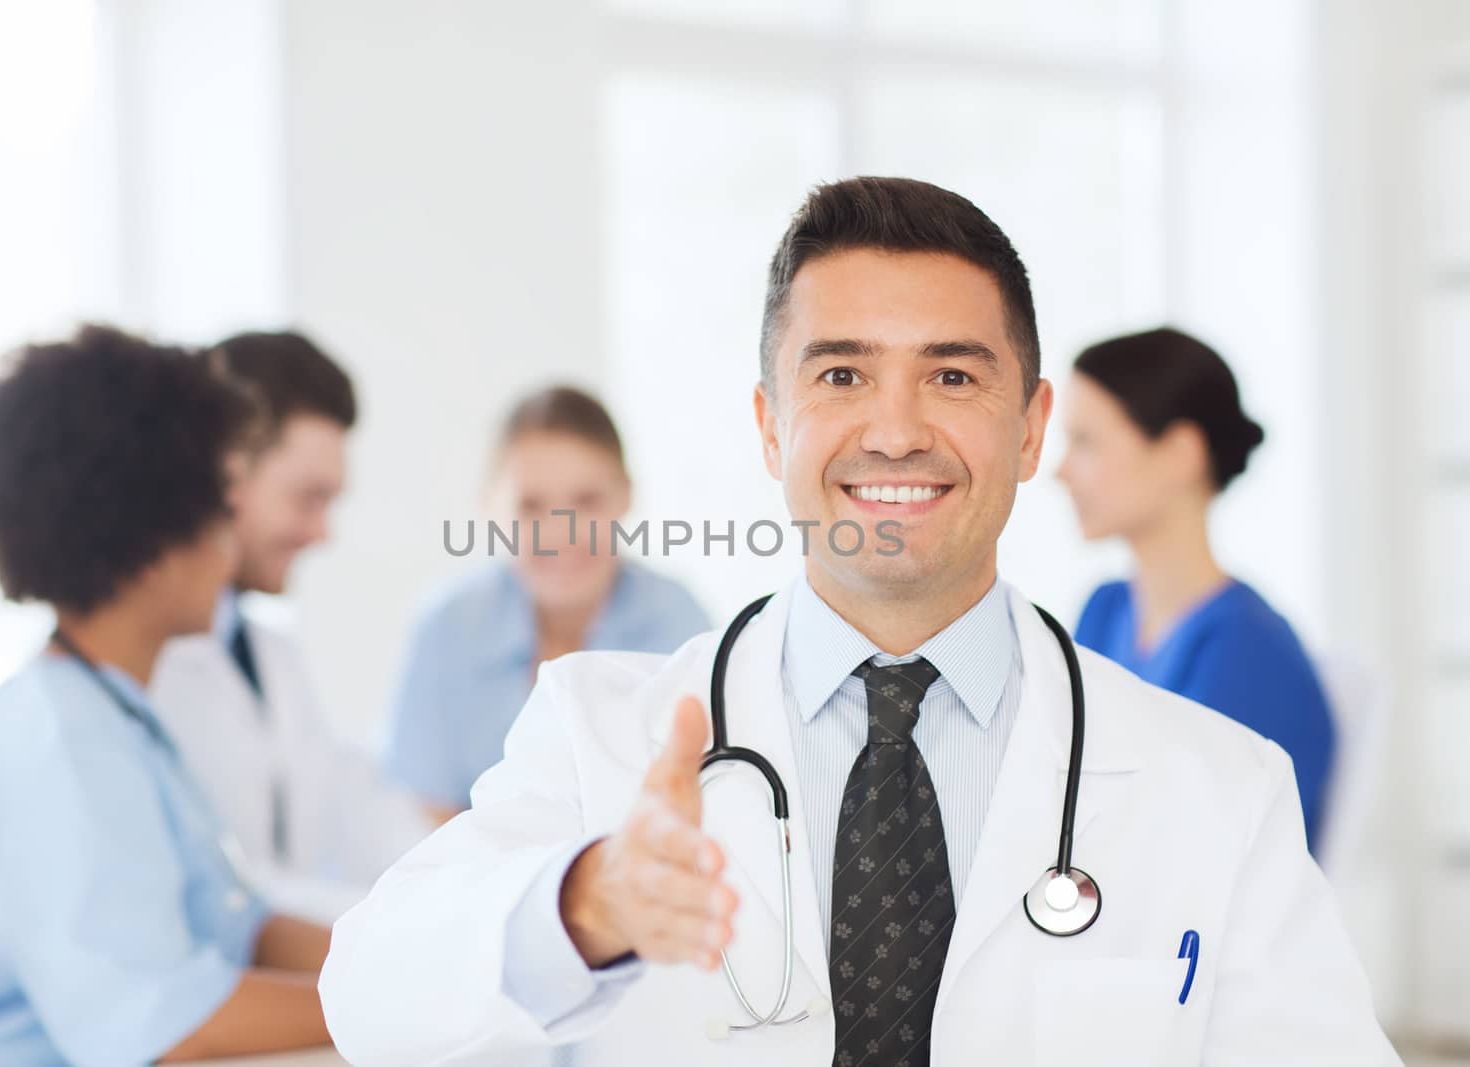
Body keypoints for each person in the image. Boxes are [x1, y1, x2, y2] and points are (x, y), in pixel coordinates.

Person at [317, 178, 1397, 1065]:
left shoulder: (1219, 785)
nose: (895, 430)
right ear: (767, 423)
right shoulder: (601, 731)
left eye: (951, 374)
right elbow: (367, 996)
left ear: (1029, 431)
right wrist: (585, 903)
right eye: (841, 372)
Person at [0, 327, 332, 1065]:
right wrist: (398, 1007)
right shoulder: (60, 740)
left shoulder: (117, 717)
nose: (231, 537)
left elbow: (243, 924)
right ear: (146, 540)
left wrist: (417, 962)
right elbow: (167, 1023)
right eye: (217, 505)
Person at [150, 330, 431, 903]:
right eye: (309, 497)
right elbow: (221, 896)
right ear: (225, 476)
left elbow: (359, 812)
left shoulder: (270, 656)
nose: (322, 533)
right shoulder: (141, 666)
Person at [1055, 327, 1336, 853]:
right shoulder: (1106, 610)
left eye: (1087, 442)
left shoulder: (1248, 651)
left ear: (1181, 453)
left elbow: (1191, 852)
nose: (1060, 472)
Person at [382, 385, 710, 826]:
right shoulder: (447, 628)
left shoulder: (679, 622)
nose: (561, 533)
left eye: (586, 502)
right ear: (488, 507)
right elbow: (425, 818)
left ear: (626, 496)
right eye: (531, 507)